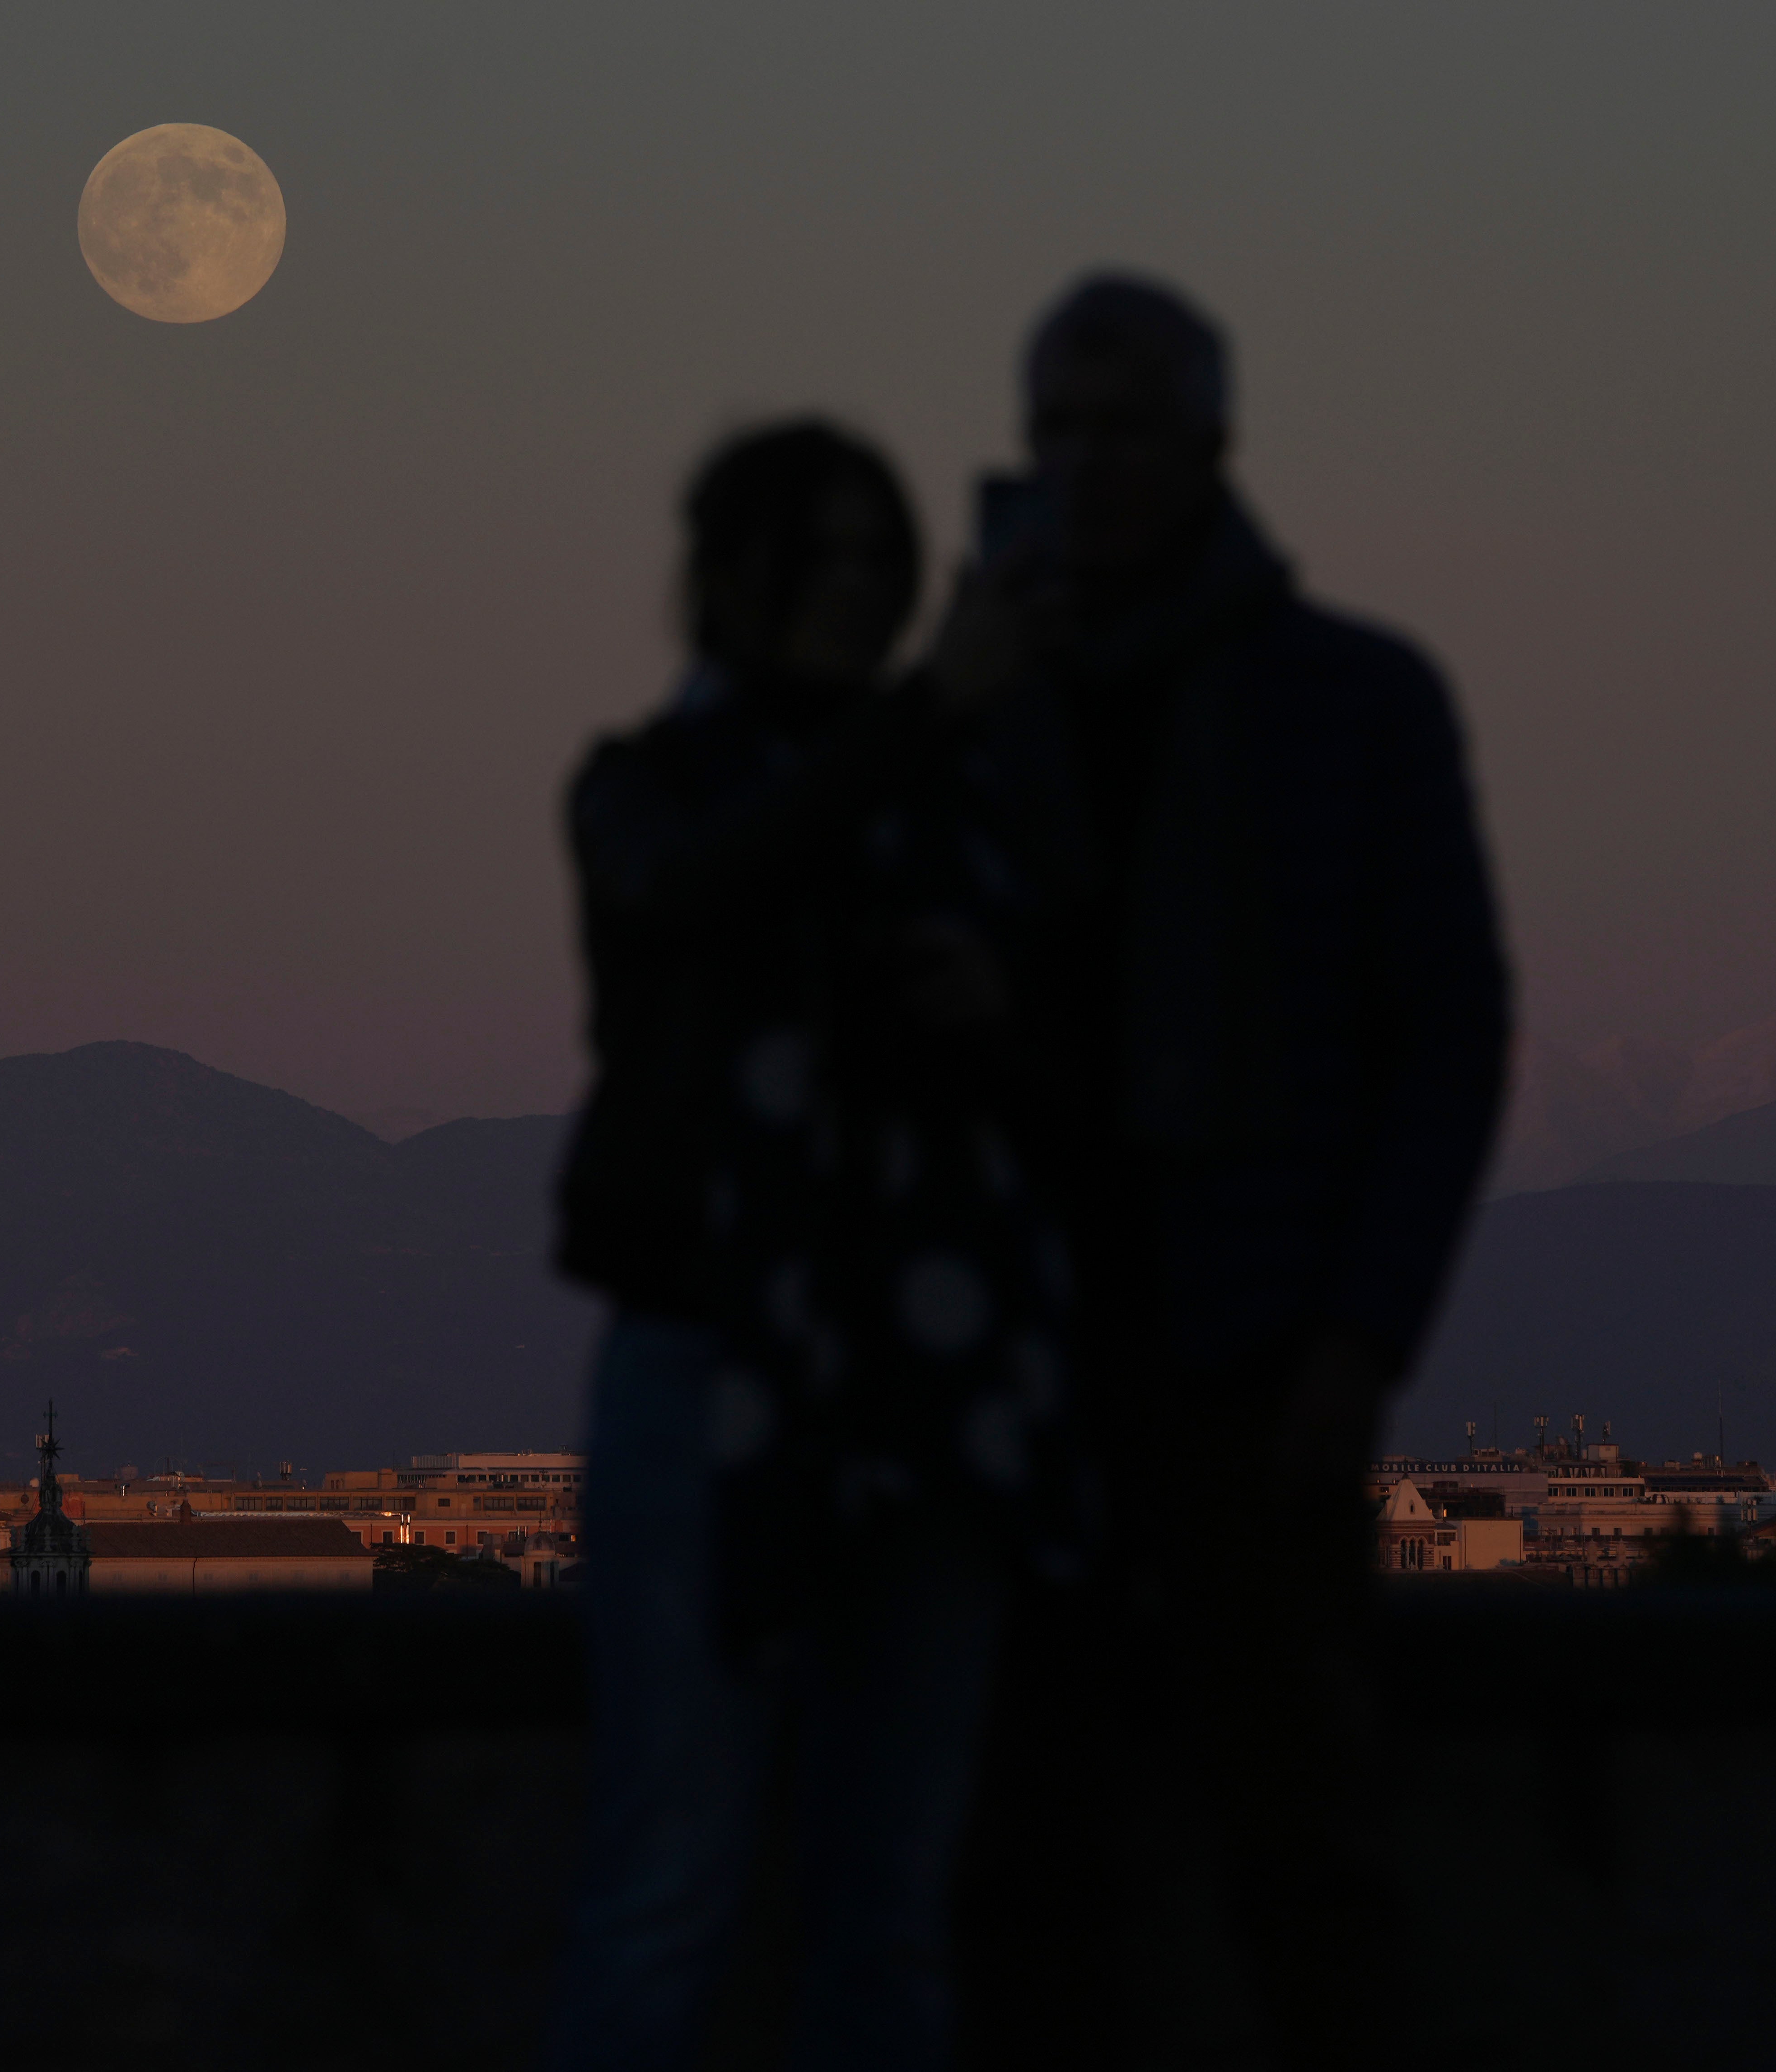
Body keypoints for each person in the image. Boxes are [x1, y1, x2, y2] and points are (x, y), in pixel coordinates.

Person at [940, 276, 1509, 2063]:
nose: (1085, 464)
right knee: (1030, 1868)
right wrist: (937, 717)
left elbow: (1444, 1034)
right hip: (1022, 1374)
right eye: (1056, 428)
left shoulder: (1351, 703)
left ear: (1210, 447)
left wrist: (1353, 1339)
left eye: (1121, 426)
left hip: (1246, 1360)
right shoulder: (982, 712)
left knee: (1299, 1857)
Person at [549, 420, 1062, 2072]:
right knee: (671, 1895)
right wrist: (926, 719)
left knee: (886, 1915)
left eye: (874, 558)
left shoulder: (963, 807)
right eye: (813, 555)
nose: (849, 590)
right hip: (724, 1365)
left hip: (915, 1385)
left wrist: (1009, 1011)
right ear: (728, 577)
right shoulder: (647, 791)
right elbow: (702, 889)